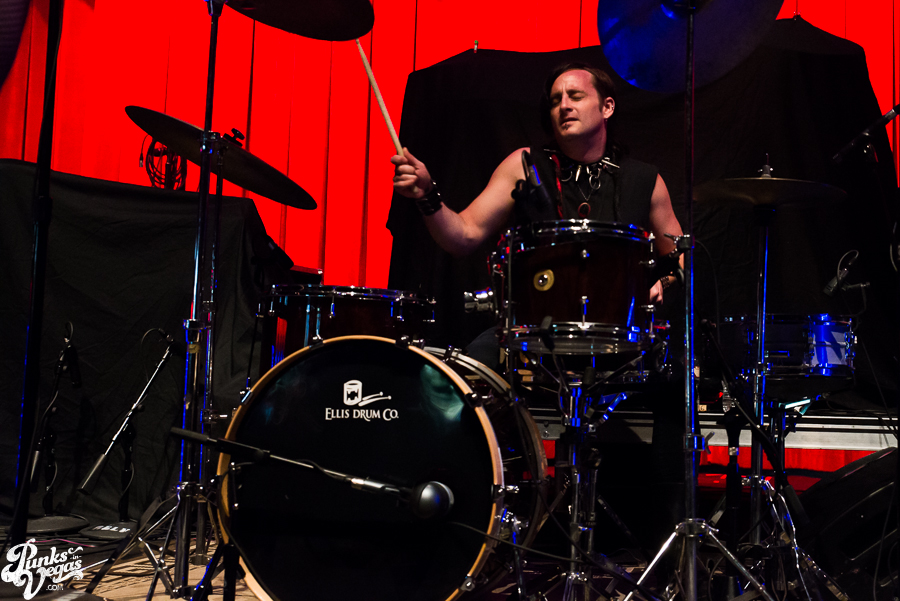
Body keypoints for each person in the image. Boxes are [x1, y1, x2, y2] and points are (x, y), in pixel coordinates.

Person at [391, 62, 684, 303]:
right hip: (534, 329)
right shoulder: (524, 165)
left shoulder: (644, 180)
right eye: (555, 101)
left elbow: (682, 257)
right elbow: (464, 236)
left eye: (575, 96)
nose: (563, 106)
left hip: (619, 336)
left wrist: (664, 283)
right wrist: (427, 195)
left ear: (607, 107)